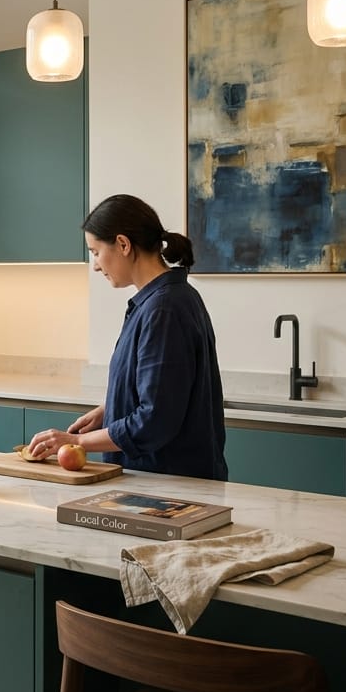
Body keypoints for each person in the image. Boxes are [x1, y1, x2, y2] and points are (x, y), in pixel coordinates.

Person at [28, 194, 228, 481]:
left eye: (95, 252)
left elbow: (155, 420)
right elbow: (162, 390)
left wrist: (78, 442)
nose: (95, 265)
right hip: (166, 481)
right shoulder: (166, 300)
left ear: (123, 244)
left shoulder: (164, 310)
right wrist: (109, 410)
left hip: (168, 486)